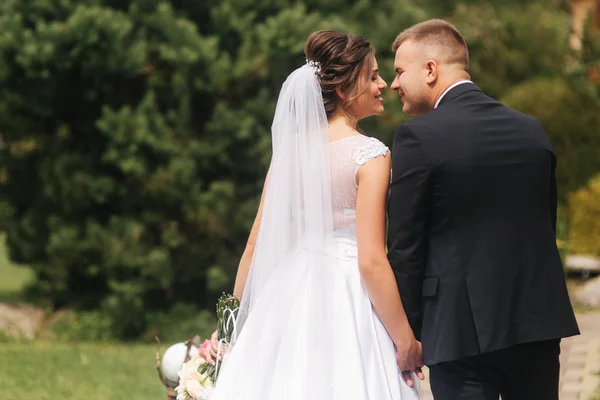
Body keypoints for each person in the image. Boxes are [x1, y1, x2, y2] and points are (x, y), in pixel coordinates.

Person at [207, 30, 422, 400]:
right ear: (343, 89)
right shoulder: (371, 155)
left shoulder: (291, 155)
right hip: (349, 294)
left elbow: (255, 243)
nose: (383, 83)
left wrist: (231, 325)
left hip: (290, 289)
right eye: (372, 76)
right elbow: (371, 260)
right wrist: (405, 340)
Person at [387, 19, 580, 400]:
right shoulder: (531, 130)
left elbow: (405, 248)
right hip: (536, 324)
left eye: (398, 72)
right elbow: (545, 220)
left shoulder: (418, 137)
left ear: (430, 70)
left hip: (459, 332)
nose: (394, 84)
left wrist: (407, 332)